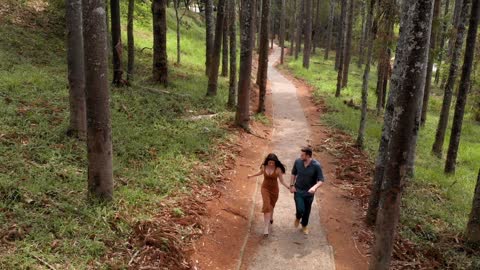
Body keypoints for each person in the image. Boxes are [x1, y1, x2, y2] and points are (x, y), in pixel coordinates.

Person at [248, 153, 289, 236]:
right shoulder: (264, 167)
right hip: (265, 188)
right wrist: (251, 175)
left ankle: (271, 217)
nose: (271, 164)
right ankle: (266, 228)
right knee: (266, 206)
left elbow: (282, 181)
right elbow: (260, 173)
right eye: (269, 162)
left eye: (272, 163)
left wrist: (289, 187)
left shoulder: (278, 169)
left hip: (274, 190)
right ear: (267, 161)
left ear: (275, 162)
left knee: (271, 206)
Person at [289, 146, 325, 235]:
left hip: (309, 193)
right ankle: (298, 217)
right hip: (298, 190)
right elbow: (293, 174)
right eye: (300, 154)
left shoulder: (316, 166)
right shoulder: (297, 162)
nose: (300, 156)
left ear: (308, 156)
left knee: (307, 210)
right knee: (300, 209)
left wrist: (314, 187)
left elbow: (321, 180)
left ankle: (304, 225)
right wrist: (292, 185)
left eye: (302, 155)